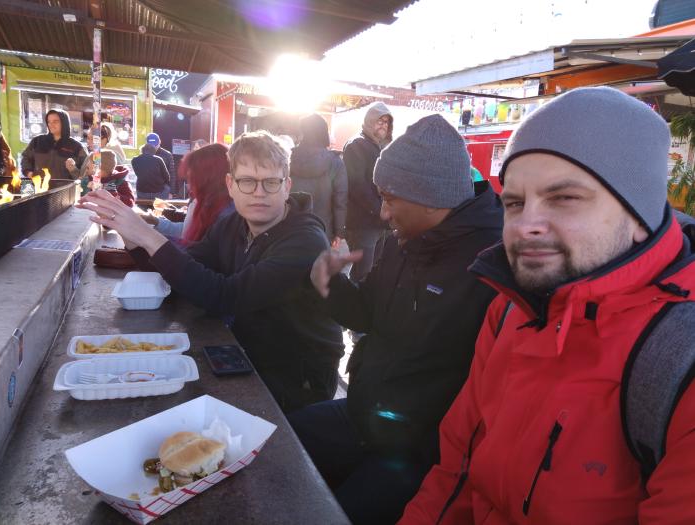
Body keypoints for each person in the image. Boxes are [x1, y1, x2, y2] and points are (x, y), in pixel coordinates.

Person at [399, 87, 695, 524]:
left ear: (639, 217)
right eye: (514, 203)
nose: (526, 226)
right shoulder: (511, 309)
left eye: (564, 198)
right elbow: (456, 474)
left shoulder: (679, 361)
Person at [289, 114, 503, 525]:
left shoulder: (492, 266)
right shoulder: (402, 242)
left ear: (431, 198)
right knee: (284, 440)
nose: (383, 213)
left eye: (390, 198)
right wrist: (331, 284)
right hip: (364, 416)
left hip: (419, 452)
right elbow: (369, 311)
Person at [79, 131, 344, 412]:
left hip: (298, 379)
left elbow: (226, 296)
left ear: (287, 186)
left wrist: (148, 234)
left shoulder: (305, 241)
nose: (259, 192)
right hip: (251, 353)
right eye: (247, 181)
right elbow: (187, 264)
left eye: (271, 182)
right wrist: (133, 238)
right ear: (230, 184)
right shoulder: (233, 225)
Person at [143, 143, 235, 244]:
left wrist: (150, 238)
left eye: (193, 178)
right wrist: (154, 221)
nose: (189, 186)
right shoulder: (206, 203)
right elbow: (186, 231)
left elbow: (196, 250)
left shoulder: (226, 215)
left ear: (208, 178)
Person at [343, 102, 393, 281]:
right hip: (363, 223)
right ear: (370, 121)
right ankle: (352, 307)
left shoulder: (381, 147)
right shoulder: (357, 144)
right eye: (380, 121)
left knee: (375, 273)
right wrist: (379, 210)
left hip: (380, 222)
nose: (384, 125)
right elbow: (357, 186)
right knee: (361, 274)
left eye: (387, 122)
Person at [290, 114, 348, 244]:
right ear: (323, 133)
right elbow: (340, 201)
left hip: (290, 227)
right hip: (322, 230)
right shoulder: (335, 162)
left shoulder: (288, 157)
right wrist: (339, 231)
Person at [21, 109, 86, 180]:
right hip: (39, 188)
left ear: (64, 123)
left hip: (64, 189)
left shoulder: (77, 147)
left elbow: (84, 174)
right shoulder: (37, 141)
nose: (51, 125)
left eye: (55, 121)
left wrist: (73, 169)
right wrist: (28, 172)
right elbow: (25, 158)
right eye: (49, 122)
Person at [67, 123, 126, 193]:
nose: (89, 142)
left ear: (104, 139)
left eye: (93, 139)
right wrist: (72, 168)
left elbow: (90, 180)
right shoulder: (93, 155)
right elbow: (83, 178)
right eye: (88, 138)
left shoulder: (107, 158)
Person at [146, 132, 176, 197]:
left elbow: (172, 174)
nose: (153, 146)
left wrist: (171, 192)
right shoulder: (144, 155)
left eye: (155, 144)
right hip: (147, 192)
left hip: (162, 191)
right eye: (151, 145)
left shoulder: (167, 155)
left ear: (159, 142)